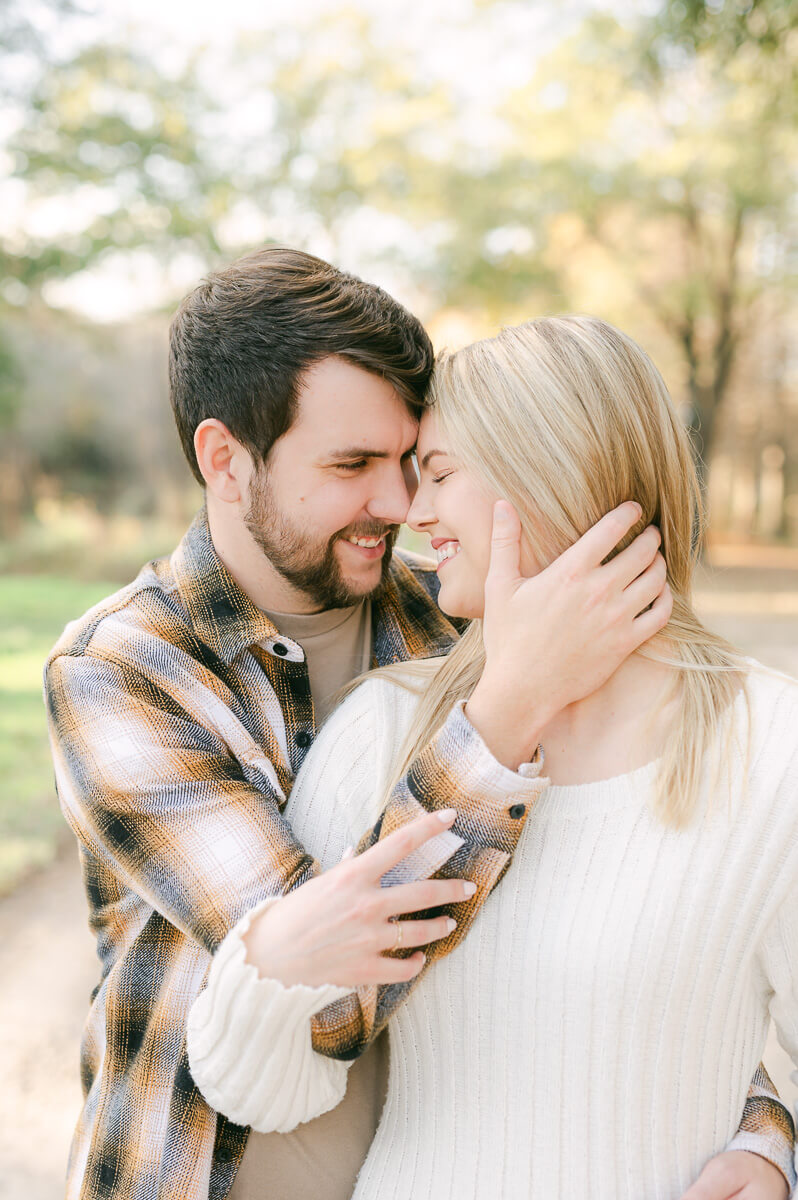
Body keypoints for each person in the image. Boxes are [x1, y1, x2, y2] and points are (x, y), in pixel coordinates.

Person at [188, 315, 798, 1199]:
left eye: (437, 473)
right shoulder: (381, 731)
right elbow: (259, 1085)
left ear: (550, 469)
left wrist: (774, 1150)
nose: (412, 511)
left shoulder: (771, 743)